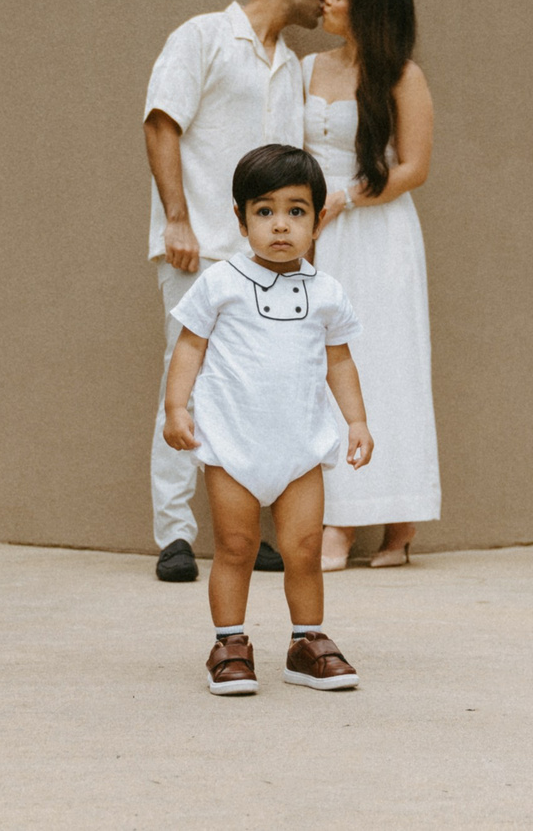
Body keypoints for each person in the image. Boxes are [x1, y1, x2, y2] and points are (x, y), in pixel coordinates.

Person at [142, 0, 328, 582]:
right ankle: (174, 533)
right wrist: (176, 219)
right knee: (185, 378)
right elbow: (162, 122)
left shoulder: (290, 62)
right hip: (200, 250)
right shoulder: (202, 37)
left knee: (260, 385)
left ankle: (247, 530)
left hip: (267, 255)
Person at [163, 144, 372, 694]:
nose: (280, 225)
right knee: (236, 547)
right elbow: (188, 349)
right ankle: (230, 644)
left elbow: (339, 360)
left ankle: (307, 643)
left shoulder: (326, 293)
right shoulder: (220, 282)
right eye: (265, 211)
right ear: (240, 218)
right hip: (233, 444)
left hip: (301, 447)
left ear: (318, 220)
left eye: (296, 211)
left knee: (302, 549)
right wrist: (176, 408)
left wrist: (356, 421)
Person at [306, 0, 440, 570]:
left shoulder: (402, 76)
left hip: (378, 232)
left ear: (369, 10)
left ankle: (386, 520)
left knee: (385, 362)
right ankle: (337, 515)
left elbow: (414, 166)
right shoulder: (307, 70)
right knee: (326, 365)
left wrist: (349, 197)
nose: (328, 0)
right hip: (317, 234)